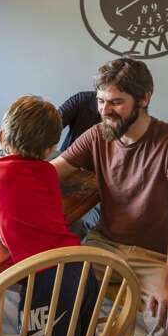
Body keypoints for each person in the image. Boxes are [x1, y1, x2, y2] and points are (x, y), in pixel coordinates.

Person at [0, 95, 154, 336]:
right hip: (81, 266)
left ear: (2, 136)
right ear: (50, 149)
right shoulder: (47, 173)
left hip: (47, 279)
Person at [52, 58, 168, 336]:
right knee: (60, 290)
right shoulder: (97, 135)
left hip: (158, 255)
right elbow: (51, 173)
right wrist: (7, 171)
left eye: (116, 102)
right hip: (106, 244)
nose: (106, 110)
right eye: (101, 101)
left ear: (144, 98)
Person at [58, 91, 101, 237]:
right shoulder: (83, 100)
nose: (106, 108)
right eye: (102, 100)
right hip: (67, 166)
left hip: (96, 182)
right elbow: (51, 126)